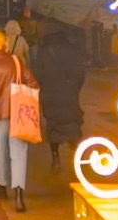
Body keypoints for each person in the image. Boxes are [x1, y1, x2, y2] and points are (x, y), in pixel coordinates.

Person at [0, 28, 38, 211]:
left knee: (0, 152)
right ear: (5, 44)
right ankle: (19, 194)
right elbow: (33, 84)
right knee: (18, 153)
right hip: (19, 115)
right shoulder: (16, 62)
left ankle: (1, 186)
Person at [29, 20, 86, 172]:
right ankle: (77, 155)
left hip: (50, 95)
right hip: (69, 93)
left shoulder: (42, 51)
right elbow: (80, 73)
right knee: (72, 122)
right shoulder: (73, 49)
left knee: (53, 126)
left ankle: (55, 158)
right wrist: (74, 88)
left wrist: (44, 89)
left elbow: (37, 74)